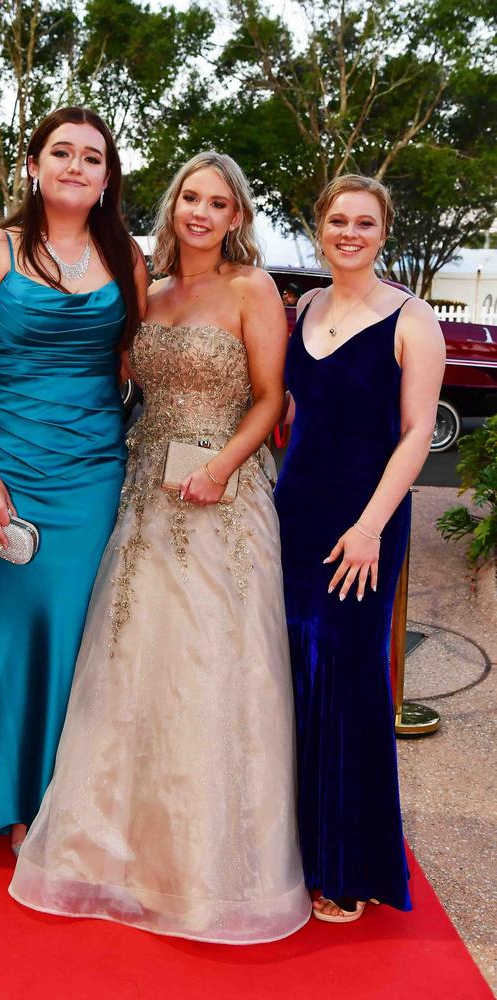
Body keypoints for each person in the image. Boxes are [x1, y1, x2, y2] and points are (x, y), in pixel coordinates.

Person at [9, 151, 312, 944]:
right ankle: (109, 851)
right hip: (146, 486)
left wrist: (219, 468)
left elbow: (271, 396)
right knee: (132, 655)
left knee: (215, 661)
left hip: (225, 492)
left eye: (218, 203)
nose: (201, 212)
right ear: (173, 206)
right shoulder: (150, 287)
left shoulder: (254, 291)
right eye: (189, 198)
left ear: (237, 216)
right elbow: (114, 376)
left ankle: (211, 868)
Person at [0, 107, 148, 852]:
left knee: (71, 627)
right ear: (33, 164)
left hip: (91, 465)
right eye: (62, 152)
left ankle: (56, 802)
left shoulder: (128, 259)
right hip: (5, 461)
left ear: (107, 176)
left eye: (93, 157)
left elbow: (138, 366)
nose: (76, 166)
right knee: (5, 626)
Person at [274, 174, 445, 922]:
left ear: (384, 232)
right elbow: (283, 408)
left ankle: (349, 868)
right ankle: (296, 848)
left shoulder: (414, 319)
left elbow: (416, 436)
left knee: (347, 676)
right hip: (294, 510)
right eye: (338, 220)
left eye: (364, 223)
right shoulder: (305, 306)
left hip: (363, 522)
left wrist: (372, 524)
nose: (349, 232)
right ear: (320, 227)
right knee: (289, 673)